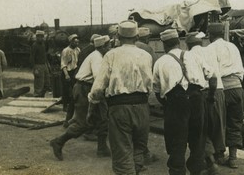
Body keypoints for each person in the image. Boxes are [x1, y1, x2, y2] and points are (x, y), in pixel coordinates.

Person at [88, 20, 153, 175]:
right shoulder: (146, 55)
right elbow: (150, 84)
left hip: (119, 108)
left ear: (117, 36)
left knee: (122, 153)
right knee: (138, 149)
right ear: (137, 36)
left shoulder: (111, 55)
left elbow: (98, 88)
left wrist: (92, 106)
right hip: (143, 107)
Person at [153, 29, 216, 175]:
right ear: (178, 42)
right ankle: (196, 169)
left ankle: (177, 171)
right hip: (197, 99)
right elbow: (212, 78)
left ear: (164, 44)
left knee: (176, 141)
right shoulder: (193, 56)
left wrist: (168, 106)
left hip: (176, 102)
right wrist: (210, 97)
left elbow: (157, 91)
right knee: (198, 139)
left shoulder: (160, 61)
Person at [50, 35, 111, 160]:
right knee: (83, 122)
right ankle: (58, 142)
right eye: (108, 45)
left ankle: (102, 148)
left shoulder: (100, 55)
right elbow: (98, 77)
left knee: (103, 119)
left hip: (90, 88)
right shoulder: (97, 57)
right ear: (103, 47)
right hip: (85, 89)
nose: (110, 47)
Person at [185, 32, 226, 175]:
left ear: (188, 44)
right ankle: (218, 157)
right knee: (217, 126)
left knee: (203, 130)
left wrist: (209, 96)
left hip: (205, 92)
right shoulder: (210, 50)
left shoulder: (189, 55)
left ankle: (211, 163)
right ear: (201, 42)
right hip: (219, 90)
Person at [207, 23, 244, 169]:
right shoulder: (233, 46)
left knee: (218, 123)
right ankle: (233, 158)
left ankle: (220, 156)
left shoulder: (210, 49)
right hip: (237, 87)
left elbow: (211, 74)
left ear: (210, 35)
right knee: (235, 122)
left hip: (222, 88)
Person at [135, 27, 159, 165]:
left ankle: (143, 153)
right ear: (146, 38)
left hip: (125, 92)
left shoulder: (123, 48)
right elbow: (155, 68)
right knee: (143, 125)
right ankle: (143, 155)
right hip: (142, 91)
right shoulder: (147, 49)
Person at [60, 34, 80, 126]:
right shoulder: (66, 51)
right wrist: (66, 75)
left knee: (73, 90)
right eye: (75, 42)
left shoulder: (77, 50)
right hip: (67, 72)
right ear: (71, 42)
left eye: (77, 42)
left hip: (74, 72)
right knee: (66, 90)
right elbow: (63, 64)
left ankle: (72, 107)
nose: (76, 43)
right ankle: (65, 106)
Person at [30, 30, 51, 97]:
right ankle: (36, 97)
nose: (41, 38)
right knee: (39, 84)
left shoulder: (43, 44)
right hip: (38, 66)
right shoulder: (34, 45)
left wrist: (47, 65)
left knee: (47, 83)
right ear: (36, 37)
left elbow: (45, 55)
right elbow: (32, 57)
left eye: (42, 37)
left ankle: (42, 96)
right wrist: (34, 68)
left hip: (44, 65)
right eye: (39, 37)